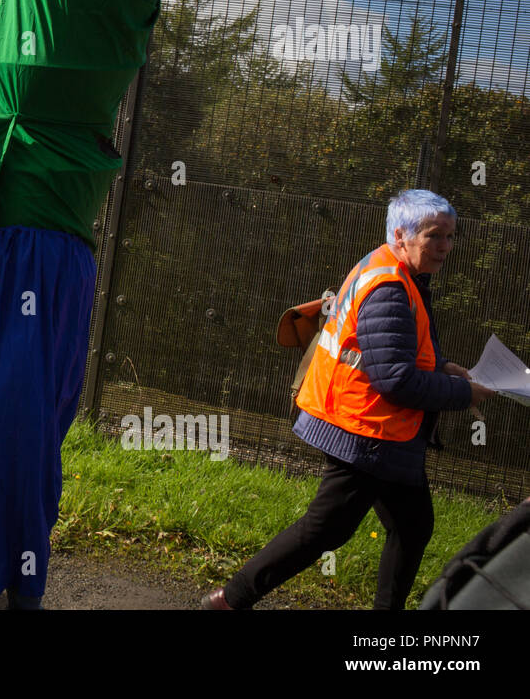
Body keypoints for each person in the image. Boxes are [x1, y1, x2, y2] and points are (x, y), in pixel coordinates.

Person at [203, 189, 495, 611]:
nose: (446, 247)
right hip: (365, 432)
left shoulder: (390, 268)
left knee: (412, 526)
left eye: (450, 237)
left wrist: (443, 367)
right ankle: (230, 600)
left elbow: (393, 349)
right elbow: (394, 379)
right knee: (327, 530)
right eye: (435, 236)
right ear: (401, 235)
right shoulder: (390, 288)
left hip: (376, 430)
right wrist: (464, 392)